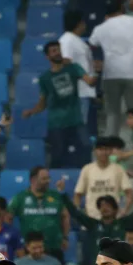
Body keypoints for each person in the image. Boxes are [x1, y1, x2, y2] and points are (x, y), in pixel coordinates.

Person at [22, 41, 97, 169]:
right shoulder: (45, 78)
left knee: (86, 147)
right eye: (53, 51)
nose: (57, 53)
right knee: (57, 154)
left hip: (76, 120)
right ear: (47, 56)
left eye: (58, 49)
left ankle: (87, 176)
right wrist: (32, 111)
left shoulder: (73, 68)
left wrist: (96, 73)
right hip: (56, 123)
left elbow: (90, 82)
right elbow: (42, 103)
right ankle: (53, 177)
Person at [89, 0, 133, 137]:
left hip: (110, 75)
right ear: (122, 7)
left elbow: (92, 45)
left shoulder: (101, 28)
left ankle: (112, 148)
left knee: (112, 115)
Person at [74, 138, 133, 243]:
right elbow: (77, 194)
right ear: (95, 151)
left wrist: (124, 211)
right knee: (90, 253)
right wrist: (80, 213)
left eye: (106, 149)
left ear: (110, 151)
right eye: (100, 149)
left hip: (112, 223)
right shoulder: (87, 169)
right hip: (91, 222)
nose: (103, 152)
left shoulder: (118, 169)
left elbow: (129, 193)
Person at [8, 167, 71, 264]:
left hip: (53, 247)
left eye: (48, 178)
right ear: (33, 180)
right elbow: (8, 217)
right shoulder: (20, 198)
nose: (48, 181)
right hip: (29, 249)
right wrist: (15, 240)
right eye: (44, 179)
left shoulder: (55, 196)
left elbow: (65, 216)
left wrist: (65, 237)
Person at [59, 9, 97, 127]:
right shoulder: (67, 40)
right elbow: (64, 63)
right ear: (79, 24)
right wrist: (84, 76)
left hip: (82, 92)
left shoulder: (75, 40)